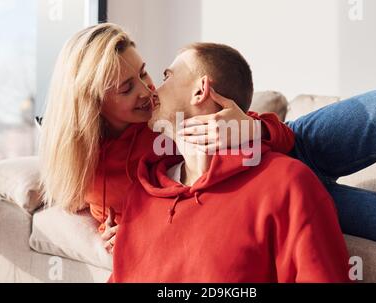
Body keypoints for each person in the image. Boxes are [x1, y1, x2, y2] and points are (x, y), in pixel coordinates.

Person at [38, 23, 293, 253]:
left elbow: (284, 135)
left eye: (144, 73)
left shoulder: (165, 120)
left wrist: (251, 128)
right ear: (93, 103)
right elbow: (96, 209)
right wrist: (111, 232)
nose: (147, 90)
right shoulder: (84, 166)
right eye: (127, 88)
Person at [109, 43, 351, 282]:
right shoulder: (142, 192)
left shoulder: (286, 184)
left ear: (200, 91)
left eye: (166, 76)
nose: (152, 90)